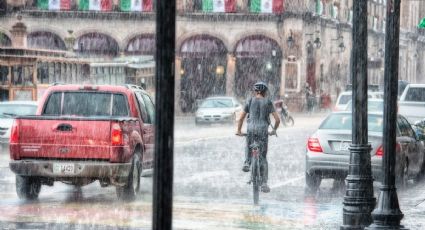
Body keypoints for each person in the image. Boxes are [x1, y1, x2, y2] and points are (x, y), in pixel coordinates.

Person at [235, 81, 280, 193]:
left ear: (255, 91)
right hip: (263, 131)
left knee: (248, 145)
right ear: (265, 92)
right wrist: (273, 130)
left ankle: (247, 162)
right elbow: (278, 120)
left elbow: (241, 118)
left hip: (251, 129)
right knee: (263, 157)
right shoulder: (268, 102)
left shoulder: (250, 101)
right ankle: (264, 183)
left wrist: (239, 131)